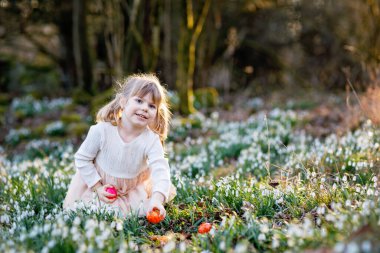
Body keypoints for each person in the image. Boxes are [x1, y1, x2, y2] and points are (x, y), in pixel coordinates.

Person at [63, 73, 176, 218]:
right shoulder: (102, 131)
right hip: (99, 187)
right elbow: (82, 159)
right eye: (139, 101)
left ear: (157, 112)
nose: (145, 108)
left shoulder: (151, 140)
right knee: (92, 211)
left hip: (131, 191)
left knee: (141, 209)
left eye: (152, 106)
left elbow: (161, 170)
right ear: (123, 102)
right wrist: (98, 187)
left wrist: (156, 200)